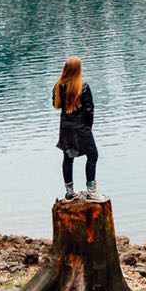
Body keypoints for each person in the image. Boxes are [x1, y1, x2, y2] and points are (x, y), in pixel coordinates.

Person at [53, 56, 99, 200]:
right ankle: (91, 191)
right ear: (78, 69)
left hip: (65, 127)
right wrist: (88, 128)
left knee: (68, 158)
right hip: (81, 128)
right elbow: (89, 110)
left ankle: (69, 192)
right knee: (92, 155)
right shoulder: (83, 86)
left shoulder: (58, 86)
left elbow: (56, 104)